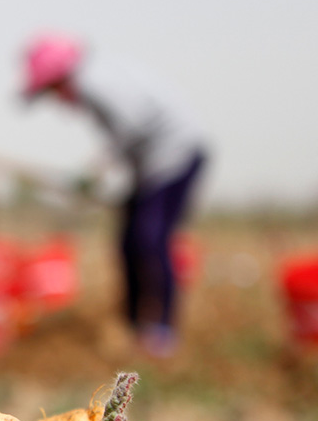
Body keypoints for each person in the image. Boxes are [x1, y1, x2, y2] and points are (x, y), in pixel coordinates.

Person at [22, 34, 208, 357]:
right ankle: (132, 324)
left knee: (151, 239)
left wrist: (95, 171)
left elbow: (135, 128)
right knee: (128, 242)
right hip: (151, 166)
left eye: (52, 91)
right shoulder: (97, 78)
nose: (56, 100)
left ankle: (162, 330)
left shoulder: (95, 83)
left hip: (176, 156)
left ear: (61, 78)